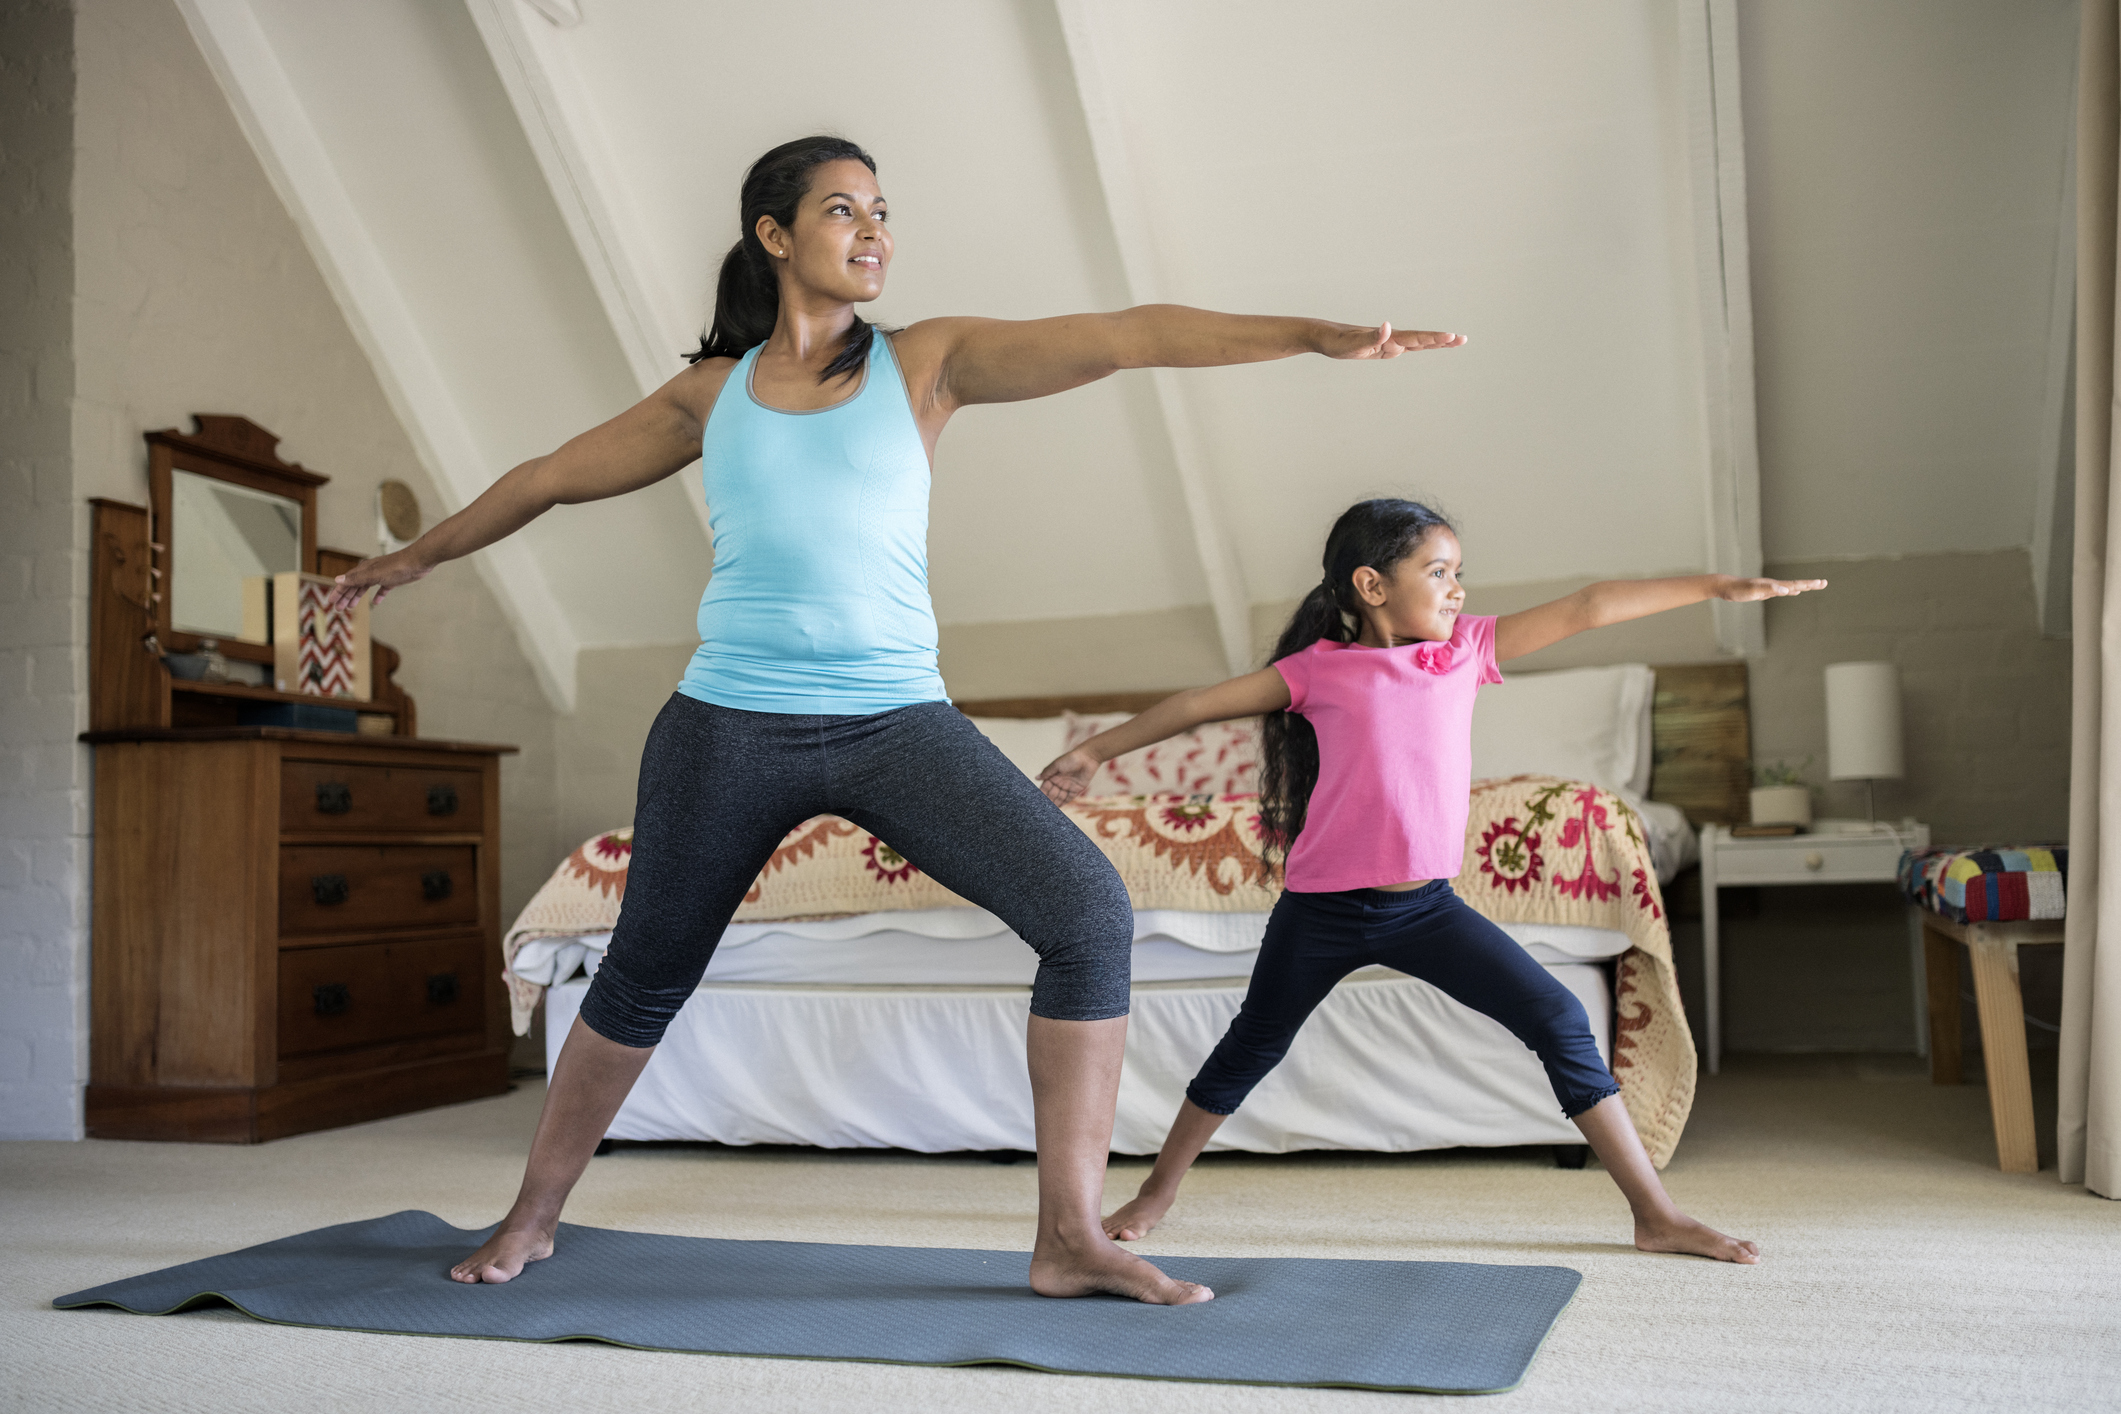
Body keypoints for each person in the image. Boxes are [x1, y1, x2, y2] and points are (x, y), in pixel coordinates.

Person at [326, 136, 1466, 1304]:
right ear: (774, 237)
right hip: (728, 723)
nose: (873, 230)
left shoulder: (927, 365)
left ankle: (1070, 1234)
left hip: (896, 720)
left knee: (1085, 911)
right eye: (841, 210)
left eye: (881, 210)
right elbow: (545, 477)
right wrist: (416, 556)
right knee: (643, 971)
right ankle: (533, 1213)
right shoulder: (709, 398)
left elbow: (1128, 334)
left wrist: (1310, 336)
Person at [1040, 498, 1815, 1264]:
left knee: (1555, 1018)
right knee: (1251, 1045)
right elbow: (1195, 705)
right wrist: (1091, 753)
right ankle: (1156, 1192)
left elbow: (1590, 605)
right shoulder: (1316, 672)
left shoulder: (1466, 651)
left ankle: (1655, 1213)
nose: (1457, 589)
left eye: (1457, 573)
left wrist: (1715, 586)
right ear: (1372, 586)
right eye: (1437, 571)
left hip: (1425, 910)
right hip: (1321, 914)